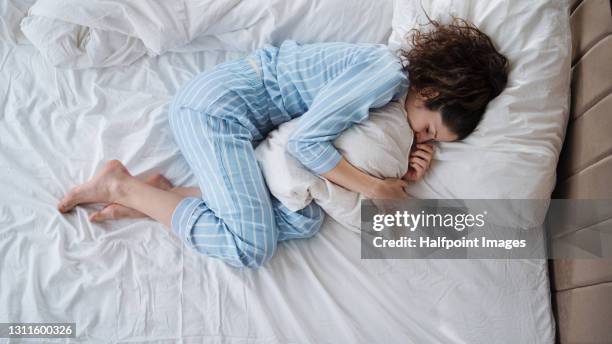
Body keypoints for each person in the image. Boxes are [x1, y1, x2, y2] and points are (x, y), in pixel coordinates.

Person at [57, 18, 508, 268]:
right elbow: (307, 146)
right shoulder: (386, 75)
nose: (421, 137)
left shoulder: (392, 95)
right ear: (429, 93)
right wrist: (376, 189)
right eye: (428, 130)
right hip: (217, 110)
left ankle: (160, 196)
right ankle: (123, 186)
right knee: (250, 247)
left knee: (304, 219)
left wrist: (409, 162)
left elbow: (343, 142)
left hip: (244, 127)